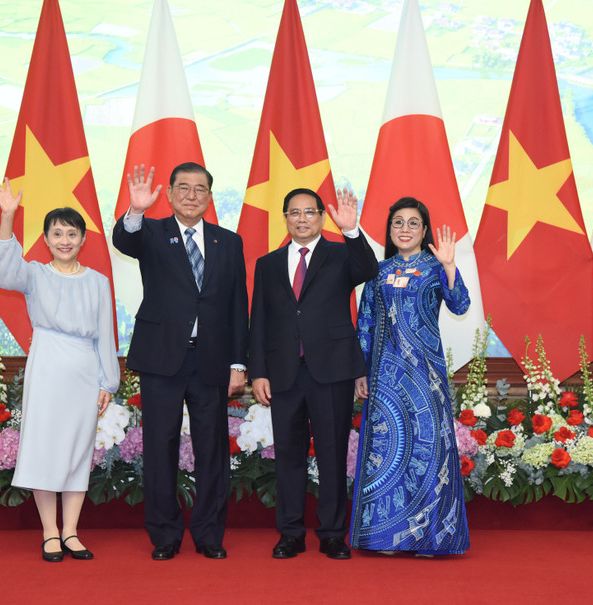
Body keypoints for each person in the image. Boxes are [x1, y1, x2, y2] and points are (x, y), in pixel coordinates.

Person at [112, 162, 248, 561]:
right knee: (160, 447)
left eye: (200, 189)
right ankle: (165, 534)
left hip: (211, 361)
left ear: (210, 196)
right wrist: (136, 210)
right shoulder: (151, 232)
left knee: (212, 451)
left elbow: (238, 305)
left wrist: (239, 364)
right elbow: (125, 240)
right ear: (169, 194)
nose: (192, 195)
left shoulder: (229, 241)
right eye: (183, 188)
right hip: (161, 359)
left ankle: (209, 534)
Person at [0, 179, 120, 563]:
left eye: (71, 234)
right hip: (46, 366)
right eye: (57, 233)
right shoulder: (35, 275)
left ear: (82, 240)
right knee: (45, 448)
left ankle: (72, 532)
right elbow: (3, 271)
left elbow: (106, 336)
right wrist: (8, 217)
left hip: (84, 371)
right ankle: (50, 532)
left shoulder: (98, 282)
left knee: (78, 450)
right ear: (46, 239)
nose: (64, 240)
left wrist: (107, 381)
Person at [250, 187, 378, 560]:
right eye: (294, 213)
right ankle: (290, 533)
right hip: (284, 374)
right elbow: (259, 320)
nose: (302, 219)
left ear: (322, 217)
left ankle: (332, 534)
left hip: (332, 371)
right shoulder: (268, 264)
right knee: (288, 456)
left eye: (309, 212)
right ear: (285, 218)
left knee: (332, 454)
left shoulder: (341, 254)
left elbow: (368, 270)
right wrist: (258, 371)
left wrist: (352, 231)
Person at [349, 197, 470, 555]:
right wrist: (361, 371)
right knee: (386, 455)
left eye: (413, 223)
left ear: (424, 230)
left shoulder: (435, 267)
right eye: (398, 222)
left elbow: (460, 305)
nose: (405, 229)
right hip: (384, 377)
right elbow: (365, 324)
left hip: (426, 375)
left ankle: (432, 537)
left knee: (428, 451)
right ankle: (383, 537)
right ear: (389, 231)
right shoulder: (378, 271)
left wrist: (450, 267)